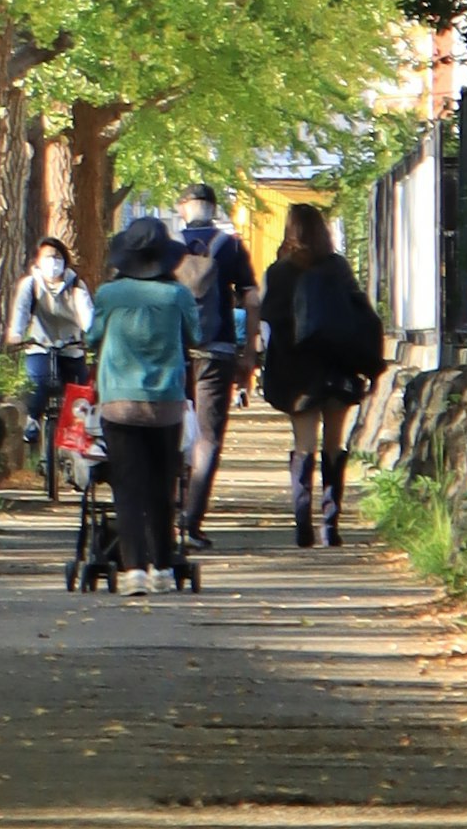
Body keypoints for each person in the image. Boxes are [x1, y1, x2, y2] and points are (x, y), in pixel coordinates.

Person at [257, 198, 386, 545]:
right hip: (338, 368)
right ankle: (331, 523)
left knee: (304, 446)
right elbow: (360, 313)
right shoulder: (337, 267)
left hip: (297, 374)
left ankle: (303, 523)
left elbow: (270, 318)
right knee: (334, 444)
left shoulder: (280, 271)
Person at [82, 206, 194, 595]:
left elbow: (92, 337)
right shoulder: (177, 294)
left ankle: (134, 572)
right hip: (166, 403)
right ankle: (163, 567)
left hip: (119, 402)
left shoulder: (109, 294)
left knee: (127, 488)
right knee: (163, 487)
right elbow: (193, 334)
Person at [173, 187, 256, 546]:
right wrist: (250, 351)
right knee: (207, 438)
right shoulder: (231, 246)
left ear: (183, 209)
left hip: (173, 353)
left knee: (168, 429)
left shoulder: (169, 247)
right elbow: (253, 298)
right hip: (217, 352)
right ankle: (191, 522)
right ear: (214, 209)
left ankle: (168, 511)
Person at [14, 228, 92, 473]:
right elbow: (21, 312)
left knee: (79, 394)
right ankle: (33, 422)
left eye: (57, 257)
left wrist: (90, 333)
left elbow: (86, 312)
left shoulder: (76, 284)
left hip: (72, 347)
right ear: (37, 260)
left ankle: (75, 446)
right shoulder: (30, 285)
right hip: (40, 346)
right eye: (47, 256)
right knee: (38, 384)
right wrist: (16, 335)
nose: (53, 262)